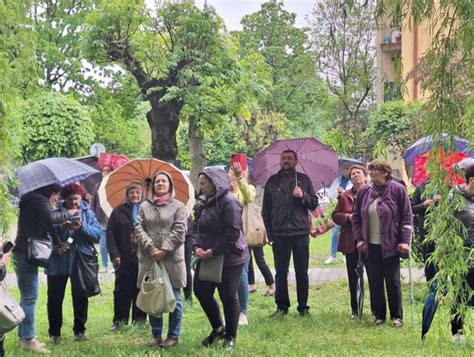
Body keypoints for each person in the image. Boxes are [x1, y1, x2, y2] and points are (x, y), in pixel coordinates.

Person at [13, 183, 77, 353]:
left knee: (27, 296)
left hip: (24, 251)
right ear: (49, 191)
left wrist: (58, 244)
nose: (57, 198)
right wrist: (68, 214)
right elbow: (51, 218)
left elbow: (47, 225)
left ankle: (23, 337)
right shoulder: (38, 200)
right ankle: (27, 339)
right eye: (56, 194)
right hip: (25, 253)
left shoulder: (34, 201)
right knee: (30, 297)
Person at [191, 168, 249, 350]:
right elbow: (192, 228)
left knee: (228, 296)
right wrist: (195, 247)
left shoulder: (229, 202)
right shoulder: (201, 202)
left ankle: (230, 337)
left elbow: (232, 233)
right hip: (206, 254)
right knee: (201, 290)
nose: (200, 187)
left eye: (203, 183)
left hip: (230, 257)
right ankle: (218, 328)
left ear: (215, 183)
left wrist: (213, 251)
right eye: (199, 183)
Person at [353, 160, 413, 327]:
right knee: (375, 280)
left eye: (375, 170)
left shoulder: (398, 189)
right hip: (370, 245)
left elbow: (407, 216)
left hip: (391, 244)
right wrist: (359, 239)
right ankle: (378, 315)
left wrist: (405, 241)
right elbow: (356, 216)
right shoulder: (365, 191)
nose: (371, 173)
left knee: (392, 281)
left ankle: (397, 317)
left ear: (385, 172)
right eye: (370, 170)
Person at [262, 150, 319, 316]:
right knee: (280, 272)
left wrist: (303, 195)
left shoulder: (303, 180)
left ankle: (303, 307)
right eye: (283, 158)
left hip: (300, 233)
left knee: (302, 272)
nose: (286, 161)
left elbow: (314, 204)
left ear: (296, 161)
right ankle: (282, 306)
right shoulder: (272, 182)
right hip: (279, 234)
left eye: (289, 158)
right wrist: (270, 235)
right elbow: (265, 211)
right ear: (280, 161)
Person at [135, 172, 187, 349]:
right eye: (157, 181)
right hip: (150, 258)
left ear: (170, 185)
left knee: (175, 298)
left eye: (164, 181)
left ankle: (173, 335)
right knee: (153, 294)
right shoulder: (144, 207)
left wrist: (164, 250)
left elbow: (180, 230)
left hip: (172, 259)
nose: (160, 183)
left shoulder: (179, 207)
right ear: (153, 185)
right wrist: (151, 248)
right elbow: (138, 228)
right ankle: (156, 334)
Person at [46, 183, 102, 343]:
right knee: (55, 297)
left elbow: (97, 235)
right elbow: (48, 235)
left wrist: (82, 228)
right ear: (64, 199)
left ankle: (79, 330)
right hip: (59, 260)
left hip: (81, 259)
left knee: (81, 296)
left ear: (81, 198)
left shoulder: (88, 213)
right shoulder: (55, 213)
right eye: (70, 200)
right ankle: (54, 333)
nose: (74, 203)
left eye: (76, 199)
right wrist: (62, 228)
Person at [106, 182, 147, 331]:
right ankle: (119, 321)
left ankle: (140, 320)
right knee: (122, 290)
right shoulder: (118, 211)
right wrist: (114, 254)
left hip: (142, 257)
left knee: (141, 289)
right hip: (123, 257)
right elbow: (110, 235)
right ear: (127, 195)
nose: (135, 196)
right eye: (132, 193)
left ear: (142, 194)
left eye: (138, 193)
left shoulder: (146, 210)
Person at [332, 165, 369, 318]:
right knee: (353, 276)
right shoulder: (344, 196)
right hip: (350, 241)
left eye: (358, 173)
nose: (355, 176)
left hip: (369, 241)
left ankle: (376, 311)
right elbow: (335, 215)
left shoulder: (372, 194)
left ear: (365, 176)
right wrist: (347, 217)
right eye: (353, 174)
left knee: (373, 276)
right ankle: (355, 310)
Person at [450, 164, 474, 342]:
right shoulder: (454, 197)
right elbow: (443, 225)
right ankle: (457, 333)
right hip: (461, 254)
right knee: (461, 293)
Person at [228, 161, 254, 326]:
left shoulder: (247, 188)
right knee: (229, 277)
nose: (234, 172)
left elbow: (249, 197)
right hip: (226, 238)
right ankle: (232, 310)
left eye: (238, 170)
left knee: (243, 274)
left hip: (242, 238)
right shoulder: (223, 189)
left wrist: (239, 179)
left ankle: (242, 312)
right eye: (231, 169)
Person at [410, 180, 440, 282]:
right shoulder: (421, 188)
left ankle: (444, 289)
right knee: (428, 258)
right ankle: (431, 287)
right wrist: (423, 205)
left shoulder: (444, 186)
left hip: (443, 229)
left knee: (441, 260)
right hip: (425, 229)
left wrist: (443, 200)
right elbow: (412, 208)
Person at [325, 162, 352, 264]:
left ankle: (346, 255)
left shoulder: (353, 181)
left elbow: (353, 194)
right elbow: (330, 195)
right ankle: (333, 255)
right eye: (344, 168)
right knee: (335, 233)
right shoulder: (337, 180)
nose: (346, 170)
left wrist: (344, 192)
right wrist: (337, 191)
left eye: (348, 168)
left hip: (348, 210)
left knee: (346, 233)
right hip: (338, 209)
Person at [92, 165, 113, 273]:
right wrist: (93, 214)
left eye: (109, 170)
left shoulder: (115, 184)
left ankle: (115, 264)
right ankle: (104, 265)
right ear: (102, 173)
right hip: (101, 218)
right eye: (105, 170)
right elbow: (94, 201)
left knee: (114, 243)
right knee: (103, 243)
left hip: (113, 218)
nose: (107, 172)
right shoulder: (98, 185)